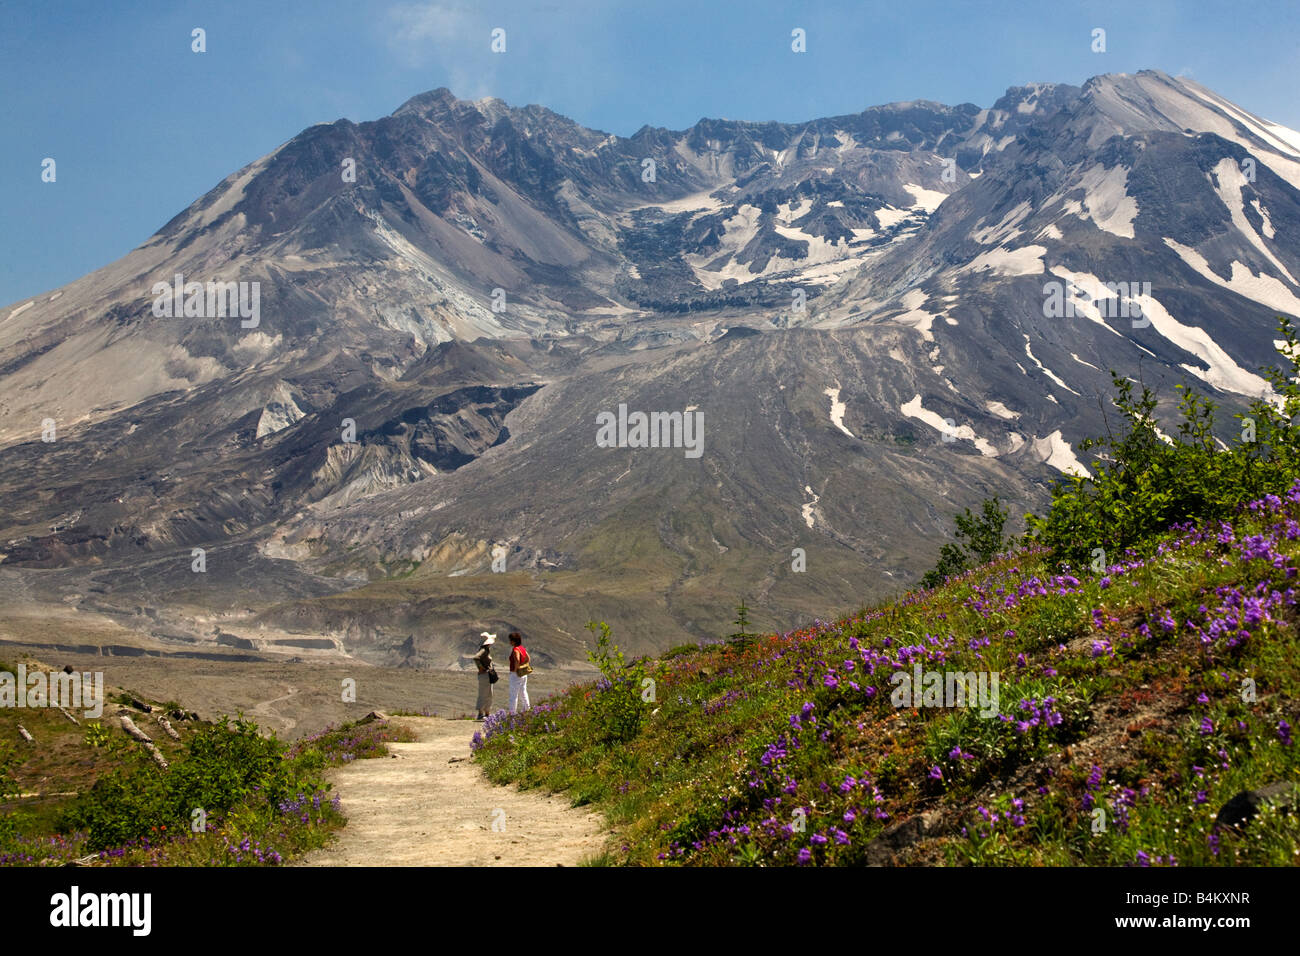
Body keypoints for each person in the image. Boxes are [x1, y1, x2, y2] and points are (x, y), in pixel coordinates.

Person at [507, 631, 532, 714]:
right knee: (523, 692)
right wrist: (523, 666)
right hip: (523, 674)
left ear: (513, 641)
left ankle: (512, 713)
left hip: (516, 675)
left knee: (513, 695)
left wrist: (515, 669)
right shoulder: (522, 648)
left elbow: (517, 659)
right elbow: (528, 658)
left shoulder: (515, 650)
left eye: (510, 640)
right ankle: (527, 710)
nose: (509, 642)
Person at [472, 632, 496, 719]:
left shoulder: (486, 650)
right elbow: (476, 658)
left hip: (487, 675)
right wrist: (481, 668)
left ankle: (487, 713)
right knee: (483, 693)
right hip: (484, 675)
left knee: (488, 694)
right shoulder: (484, 650)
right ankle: (481, 714)